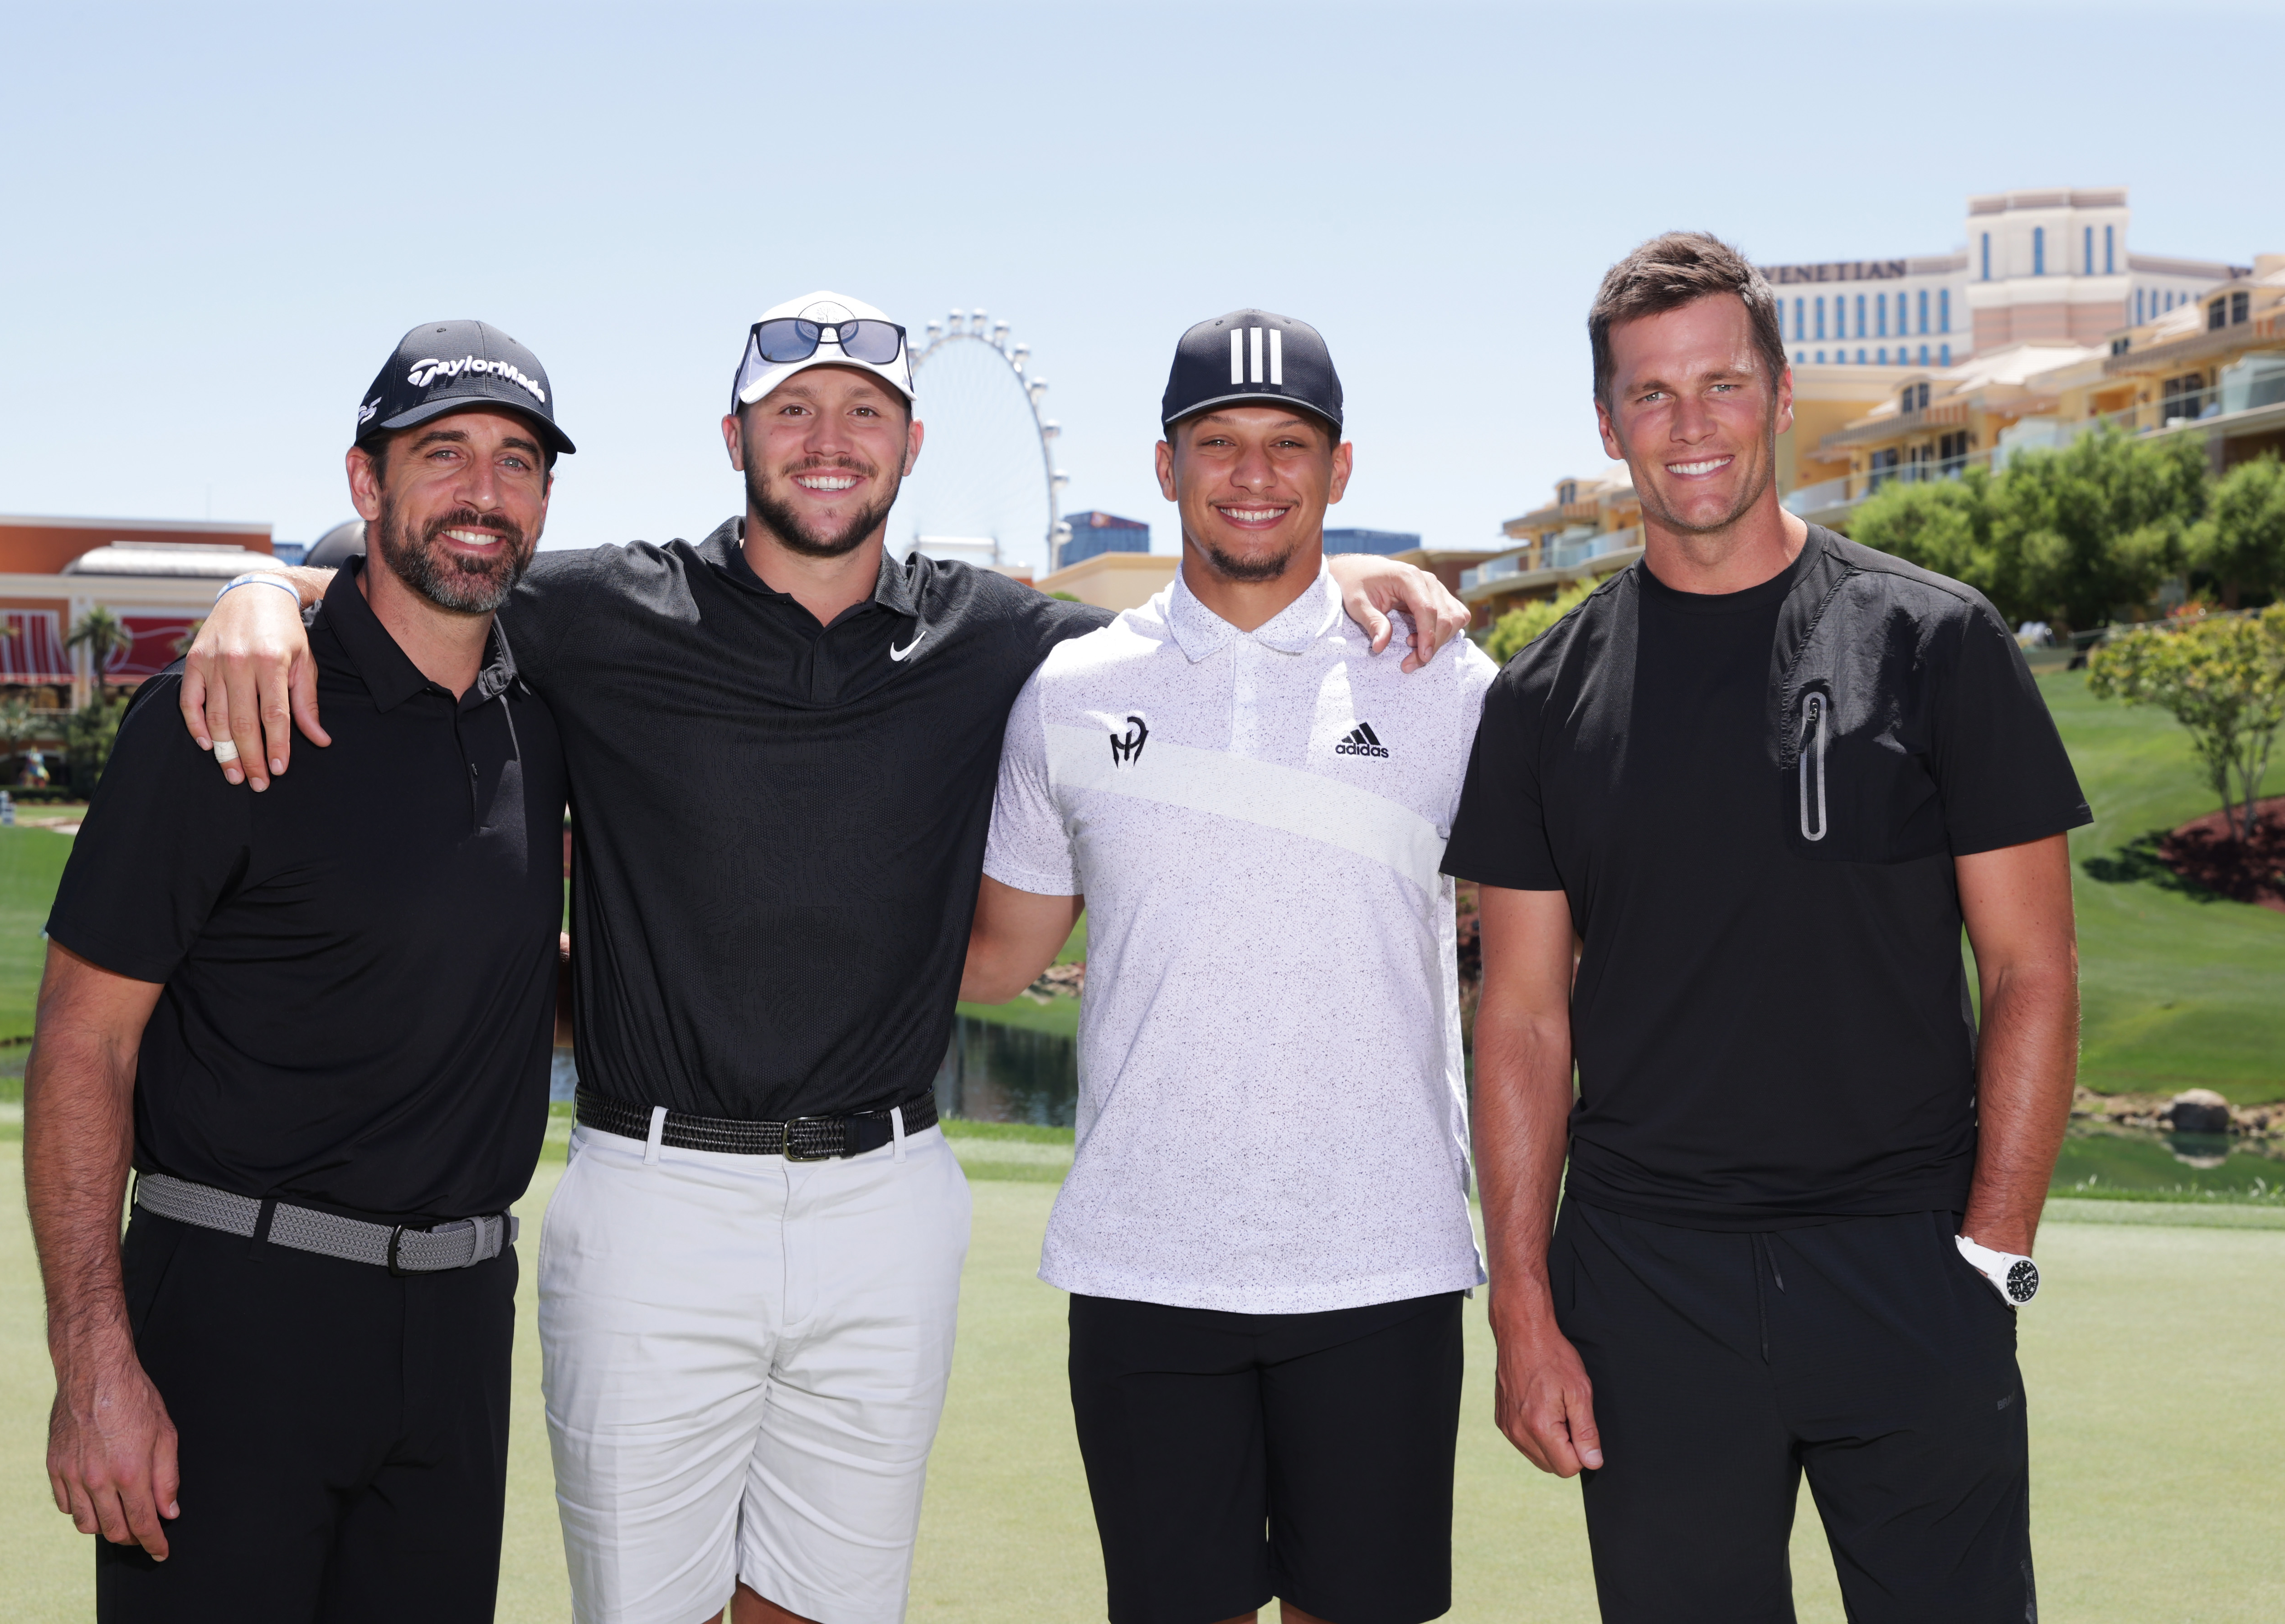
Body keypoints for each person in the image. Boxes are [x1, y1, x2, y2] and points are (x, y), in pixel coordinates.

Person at [175, 291, 1469, 1624]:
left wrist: (1347, 580)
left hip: (884, 1203)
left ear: (911, 450)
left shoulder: (1005, 645)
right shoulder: (598, 612)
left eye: (866, 413)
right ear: (735, 434)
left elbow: (1210, 631)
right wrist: (261, 583)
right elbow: (415, 572)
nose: (828, 439)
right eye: (793, 411)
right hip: (651, 1198)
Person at [1451, 233, 2087, 1623]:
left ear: (1782, 393)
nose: (1691, 427)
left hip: (1908, 1264)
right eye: (1653, 395)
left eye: (1721, 385)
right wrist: (1522, 1305)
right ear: (1608, 422)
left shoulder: (1937, 642)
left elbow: (2033, 968)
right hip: (1645, 1283)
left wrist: (1991, 1250)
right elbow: (1520, 1018)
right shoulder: (1538, 698)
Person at [24, 319, 572, 1622]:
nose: (482, 493)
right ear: (364, 481)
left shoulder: (543, 714)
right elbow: (81, 1044)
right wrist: (92, 1358)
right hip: (235, 1316)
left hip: (456, 1327)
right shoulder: (223, 713)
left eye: (517, 460)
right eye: (442, 453)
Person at [962, 310, 1494, 1624]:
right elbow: (995, 959)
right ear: (1164, 467)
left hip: (1383, 1261)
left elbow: (1538, 951)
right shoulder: (1069, 691)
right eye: (1218, 442)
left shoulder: (1446, 680)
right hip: (1145, 1263)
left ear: (1338, 469)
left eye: (1286, 444)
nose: (1252, 473)